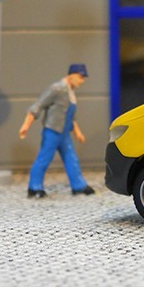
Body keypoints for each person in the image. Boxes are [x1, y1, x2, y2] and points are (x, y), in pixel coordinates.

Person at [18, 63, 95, 198]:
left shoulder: (71, 92)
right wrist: (26, 125)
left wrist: (77, 133)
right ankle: (34, 187)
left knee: (71, 158)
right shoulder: (57, 89)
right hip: (52, 132)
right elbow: (38, 106)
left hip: (64, 133)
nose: (82, 81)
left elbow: (71, 116)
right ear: (71, 75)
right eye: (80, 77)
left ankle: (78, 186)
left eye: (83, 78)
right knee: (44, 158)